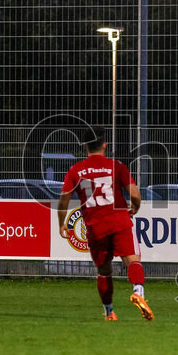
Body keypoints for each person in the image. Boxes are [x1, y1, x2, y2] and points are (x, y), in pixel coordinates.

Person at [57, 126, 153, 321]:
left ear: (85, 146)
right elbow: (134, 194)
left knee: (103, 272)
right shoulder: (117, 166)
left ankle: (109, 313)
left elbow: (63, 200)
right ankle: (138, 292)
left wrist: (62, 224)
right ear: (104, 145)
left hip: (95, 227)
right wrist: (135, 207)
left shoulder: (76, 170)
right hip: (119, 221)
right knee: (133, 261)